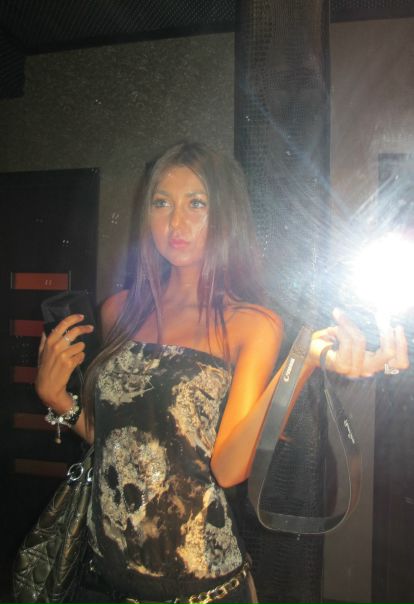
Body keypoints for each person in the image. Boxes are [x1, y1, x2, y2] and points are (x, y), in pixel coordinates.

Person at [35, 141, 409, 604]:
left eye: (196, 204)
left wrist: (305, 359)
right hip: (101, 581)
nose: (176, 223)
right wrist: (59, 401)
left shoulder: (251, 323)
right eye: (162, 203)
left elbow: (229, 468)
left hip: (200, 587)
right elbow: (119, 442)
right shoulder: (119, 311)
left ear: (225, 215)